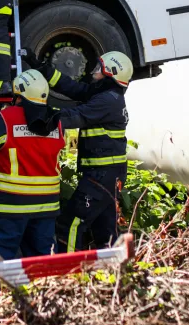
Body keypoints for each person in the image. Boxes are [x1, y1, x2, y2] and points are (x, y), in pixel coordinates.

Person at [0, 69, 65, 280]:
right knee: (42, 261)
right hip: (47, 207)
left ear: (18, 95)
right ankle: (45, 303)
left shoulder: (4, 119)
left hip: (9, 206)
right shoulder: (57, 123)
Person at [41, 51, 133, 252]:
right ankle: (115, 276)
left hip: (101, 176)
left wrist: (41, 116)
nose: (94, 72)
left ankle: (68, 275)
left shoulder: (107, 100)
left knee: (69, 224)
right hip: (107, 175)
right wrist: (45, 71)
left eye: (99, 68)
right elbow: (74, 89)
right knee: (106, 233)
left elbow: (74, 116)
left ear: (111, 73)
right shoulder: (107, 96)